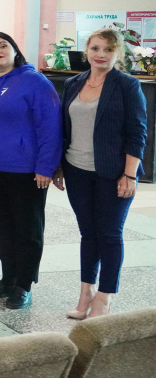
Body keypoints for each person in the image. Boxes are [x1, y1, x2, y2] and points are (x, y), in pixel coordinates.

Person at [52, 29, 146, 319]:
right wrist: (57, 165)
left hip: (113, 172)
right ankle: (86, 293)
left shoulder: (127, 85)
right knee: (87, 233)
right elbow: (63, 129)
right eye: (95, 48)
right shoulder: (73, 82)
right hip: (76, 169)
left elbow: (137, 133)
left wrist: (129, 175)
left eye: (107, 49)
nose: (100, 54)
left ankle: (105, 296)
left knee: (109, 234)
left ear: (116, 53)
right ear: (86, 51)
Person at [0, 32, 61, 310]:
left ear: (15, 50)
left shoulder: (34, 82)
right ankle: (7, 279)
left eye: (3, 46)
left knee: (28, 229)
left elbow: (51, 126)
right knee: (2, 228)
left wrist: (46, 166)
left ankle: (24, 285)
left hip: (24, 169)